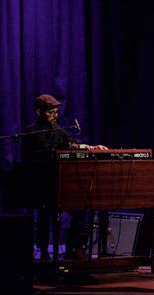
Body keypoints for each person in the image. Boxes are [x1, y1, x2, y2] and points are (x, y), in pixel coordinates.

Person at [21, 94, 108, 260]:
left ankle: (73, 247)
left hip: (62, 183)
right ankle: (44, 250)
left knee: (81, 208)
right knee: (44, 213)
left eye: (56, 112)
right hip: (42, 184)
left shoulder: (60, 131)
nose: (55, 116)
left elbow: (74, 143)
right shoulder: (30, 132)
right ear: (39, 112)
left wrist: (91, 147)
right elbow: (38, 154)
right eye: (50, 112)